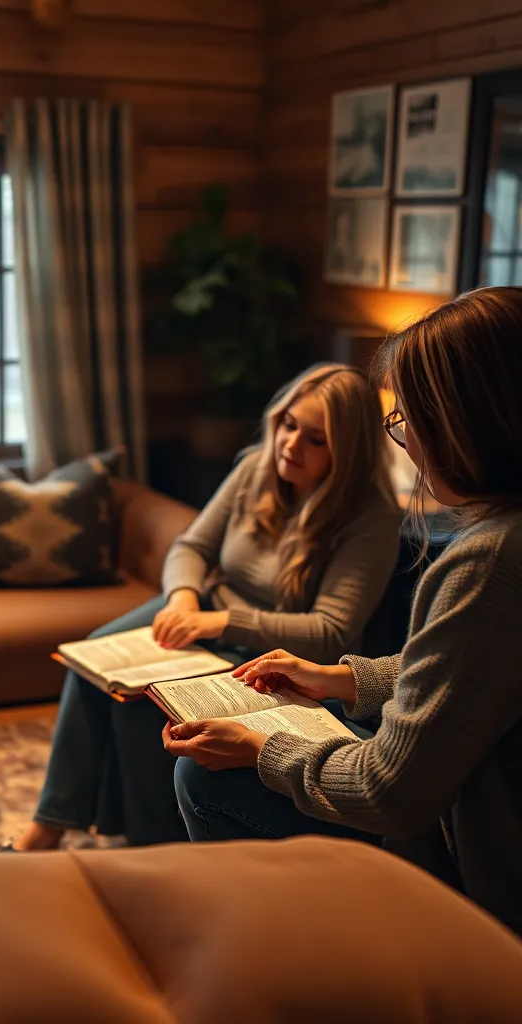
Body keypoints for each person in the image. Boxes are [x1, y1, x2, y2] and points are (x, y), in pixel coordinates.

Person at [167, 287, 522, 937]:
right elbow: (473, 671)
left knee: (204, 778)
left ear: (469, 422)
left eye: (411, 418)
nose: (407, 441)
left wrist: (261, 749)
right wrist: (344, 679)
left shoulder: (489, 561)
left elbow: (390, 790)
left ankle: (278, 956)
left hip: (473, 866)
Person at [12, 363, 402, 851]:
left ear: (349, 450)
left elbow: (330, 632)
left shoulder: (371, 516)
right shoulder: (255, 469)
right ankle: (50, 824)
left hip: (273, 653)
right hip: (208, 612)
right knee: (94, 655)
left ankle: (151, 844)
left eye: (315, 440)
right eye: (288, 425)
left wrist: (219, 621)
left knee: (146, 701)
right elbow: (191, 546)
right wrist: (182, 598)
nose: (290, 445)